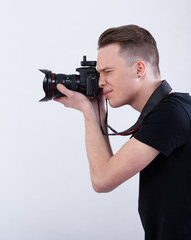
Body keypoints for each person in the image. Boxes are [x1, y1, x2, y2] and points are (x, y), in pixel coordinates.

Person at [54, 24, 191, 240]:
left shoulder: (170, 114)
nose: (100, 82)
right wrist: (97, 111)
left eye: (107, 71)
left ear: (139, 69)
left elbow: (103, 180)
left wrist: (88, 111)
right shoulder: (171, 109)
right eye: (98, 74)